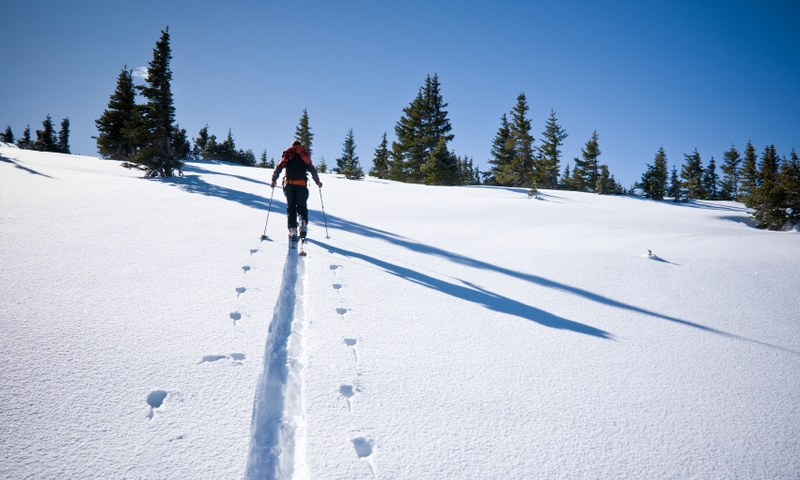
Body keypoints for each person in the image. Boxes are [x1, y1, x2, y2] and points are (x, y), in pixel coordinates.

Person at [271, 140, 322, 240]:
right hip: (301, 185)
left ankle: (292, 229)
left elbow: (279, 167)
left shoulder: (289, 154)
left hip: (289, 184)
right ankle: (302, 222)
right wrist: (317, 181)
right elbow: (312, 169)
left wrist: (274, 180)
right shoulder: (304, 155)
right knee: (302, 207)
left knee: (291, 207)